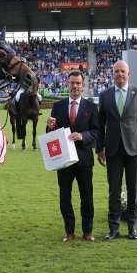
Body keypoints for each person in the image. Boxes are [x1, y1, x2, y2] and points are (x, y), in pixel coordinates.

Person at [96, 60, 137, 241]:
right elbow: (100, 126)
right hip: (112, 151)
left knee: (133, 191)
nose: (119, 74)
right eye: (116, 72)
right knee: (113, 191)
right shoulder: (104, 96)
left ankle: (132, 228)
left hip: (135, 149)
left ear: (128, 74)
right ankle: (113, 229)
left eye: (122, 71)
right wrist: (99, 148)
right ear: (112, 74)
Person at [46, 71, 99, 242]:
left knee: (87, 196)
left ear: (83, 86)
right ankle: (69, 231)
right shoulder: (58, 106)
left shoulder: (91, 107)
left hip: (84, 159)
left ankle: (87, 231)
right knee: (65, 197)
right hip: (64, 160)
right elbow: (51, 134)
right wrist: (50, 127)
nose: (75, 86)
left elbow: (97, 132)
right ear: (67, 84)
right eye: (72, 83)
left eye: (78, 83)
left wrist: (83, 136)